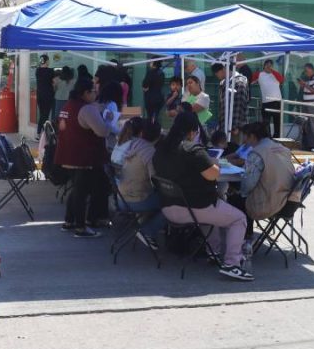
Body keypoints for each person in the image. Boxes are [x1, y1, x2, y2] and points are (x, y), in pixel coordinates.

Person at [153, 111, 252, 281]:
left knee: (208, 217)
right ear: (193, 132)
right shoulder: (193, 150)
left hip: (168, 208)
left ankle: (214, 252)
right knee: (239, 219)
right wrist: (213, 162)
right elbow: (213, 175)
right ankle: (232, 264)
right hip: (194, 207)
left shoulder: (160, 148)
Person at [56, 78, 113, 237]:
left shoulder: (67, 106)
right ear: (86, 93)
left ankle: (69, 221)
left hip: (67, 155)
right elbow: (102, 132)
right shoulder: (87, 109)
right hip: (83, 157)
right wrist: (107, 120)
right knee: (82, 192)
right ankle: (81, 227)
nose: (96, 93)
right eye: (94, 91)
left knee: (77, 189)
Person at [227, 122, 296, 240]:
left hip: (268, 201)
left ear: (252, 136)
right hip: (287, 199)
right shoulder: (282, 148)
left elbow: (247, 185)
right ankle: (246, 233)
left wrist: (238, 191)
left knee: (235, 198)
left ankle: (244, 236)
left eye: (246, 136)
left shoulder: (257, 153)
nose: (244, 140)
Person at [115, 119, 165, 250]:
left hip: (121, 198)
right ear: (158, 136)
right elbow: (155, 177)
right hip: (136, 200)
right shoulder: (149, 152)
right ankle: (147, 231)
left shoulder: (133, 144)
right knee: (172, 204)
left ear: (142, 133)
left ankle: (143, 227)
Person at [212, 62, 250, 139]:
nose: (217, 76)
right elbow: (222, 106)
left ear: (223, 69)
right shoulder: (223, 82)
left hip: (236, 128)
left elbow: (239, 105)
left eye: (217, 73)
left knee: (235, 149)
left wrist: (236, 127)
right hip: (225, 126)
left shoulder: (239, 81)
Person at [251, 59, 284, 137]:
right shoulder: (259, 74)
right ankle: (267, 138)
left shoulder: (275, 74)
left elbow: (281, 79)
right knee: (266, 123)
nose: (269, 67)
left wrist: (272, 70)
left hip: (277, 102)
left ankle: (277, 138)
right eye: (267, 65)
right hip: (266, 102)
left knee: (277, 122)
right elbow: (251, 80)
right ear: (264, 66)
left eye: (270, 65)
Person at [298, 63, 314, 150]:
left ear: (311, 69)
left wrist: (305, 85)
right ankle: (310, 145)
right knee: (307, 125)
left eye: (306, 71)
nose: (305, 73)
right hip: (306, 104)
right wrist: (303, 85)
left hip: (313, 105)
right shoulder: (309, 78)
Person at [98, 80, 124, 151]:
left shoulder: (99, 101)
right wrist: (122, 130)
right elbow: (111, 125)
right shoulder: (112, 104)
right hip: (109, 139)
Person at [35, 54, 55, 140]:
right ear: (46, 61)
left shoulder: (38, 71)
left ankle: (40, 134)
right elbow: (54, 83)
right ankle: (42, 134)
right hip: (48, 95)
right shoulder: (50, 71)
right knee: (45, 115)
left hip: (40, 95)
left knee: (42, 114)